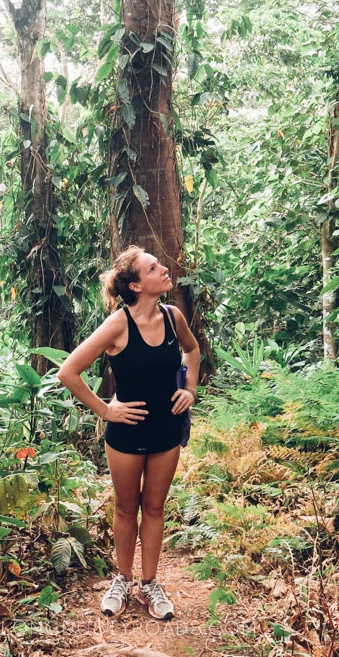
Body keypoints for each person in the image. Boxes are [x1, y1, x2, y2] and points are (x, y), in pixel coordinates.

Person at [56, 246, 200, 621]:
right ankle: (122, 579)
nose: (164, 269)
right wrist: (106, 410)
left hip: (167, 427)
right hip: (126, 432)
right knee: (125, 507)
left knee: (154, 507)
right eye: (153, 268)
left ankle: (149, 584)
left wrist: (190, 389)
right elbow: (68, 372)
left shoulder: (173, 316)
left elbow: (192, 350)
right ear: (136, 285)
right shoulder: (117, 325)